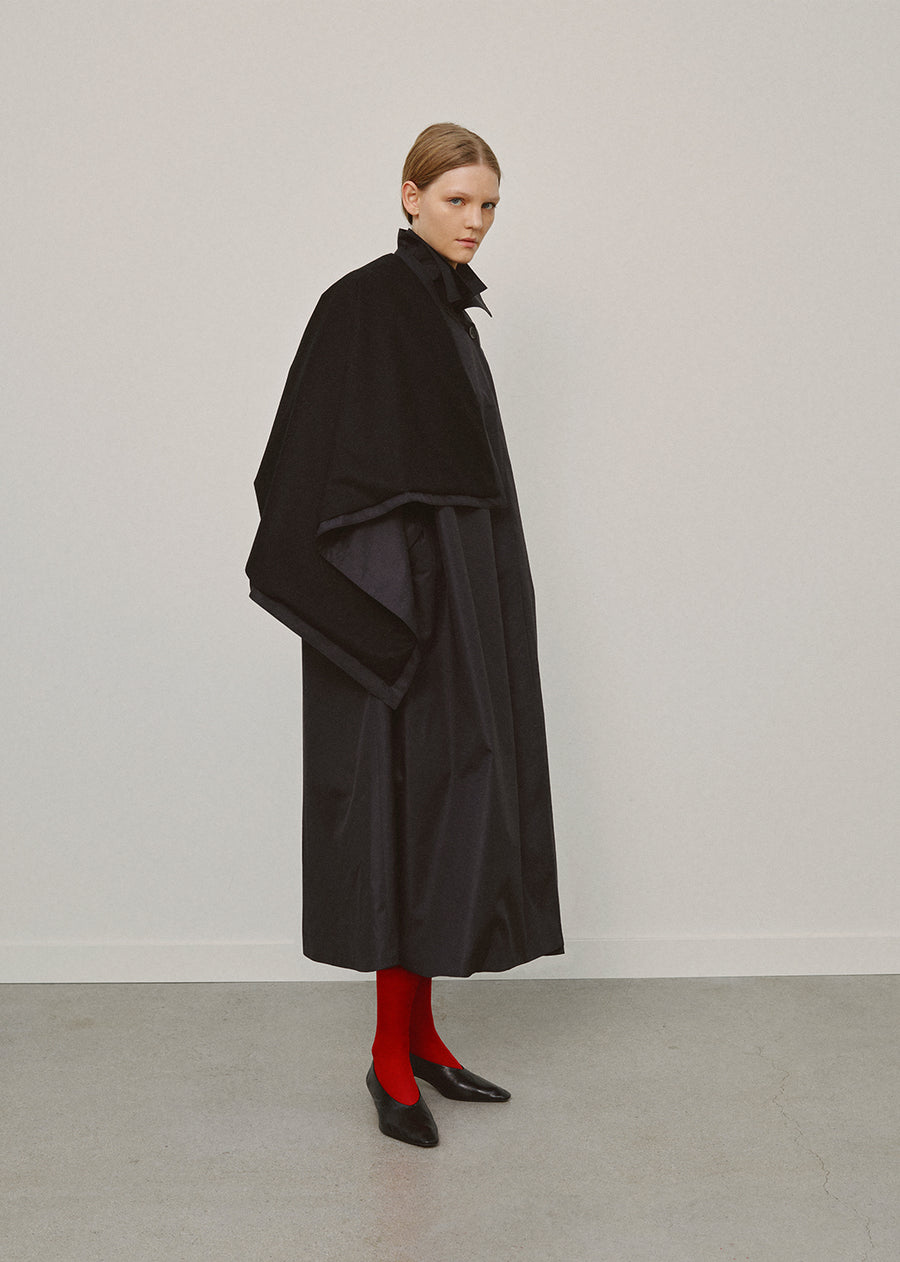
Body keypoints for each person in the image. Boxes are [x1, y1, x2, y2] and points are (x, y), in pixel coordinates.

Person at [246, 123, 563, 1147]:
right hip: (394, 607)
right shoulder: (364, 304)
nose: (475, 222)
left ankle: (424, 1037)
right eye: (457, 200)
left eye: (489, 205)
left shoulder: (452, 316)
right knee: (395, 810)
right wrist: (389, 613)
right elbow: (308, 468)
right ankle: (388, 1056)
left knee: (447, 809)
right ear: (409, 195)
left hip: (460, 596)